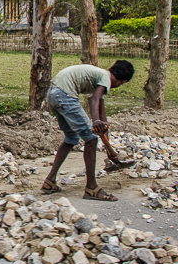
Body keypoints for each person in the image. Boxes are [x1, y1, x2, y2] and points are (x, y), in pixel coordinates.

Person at [41, 61, 135, 202]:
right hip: (64, 95)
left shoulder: (100, 77)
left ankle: (50, 181)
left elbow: (102, 115)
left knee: (71, 138)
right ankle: (91, 188)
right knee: (91, 139)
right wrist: (95, 121)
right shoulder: (106, 78)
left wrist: (109, 148)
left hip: (53, 94)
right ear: (122, 81)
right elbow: (94, 99)